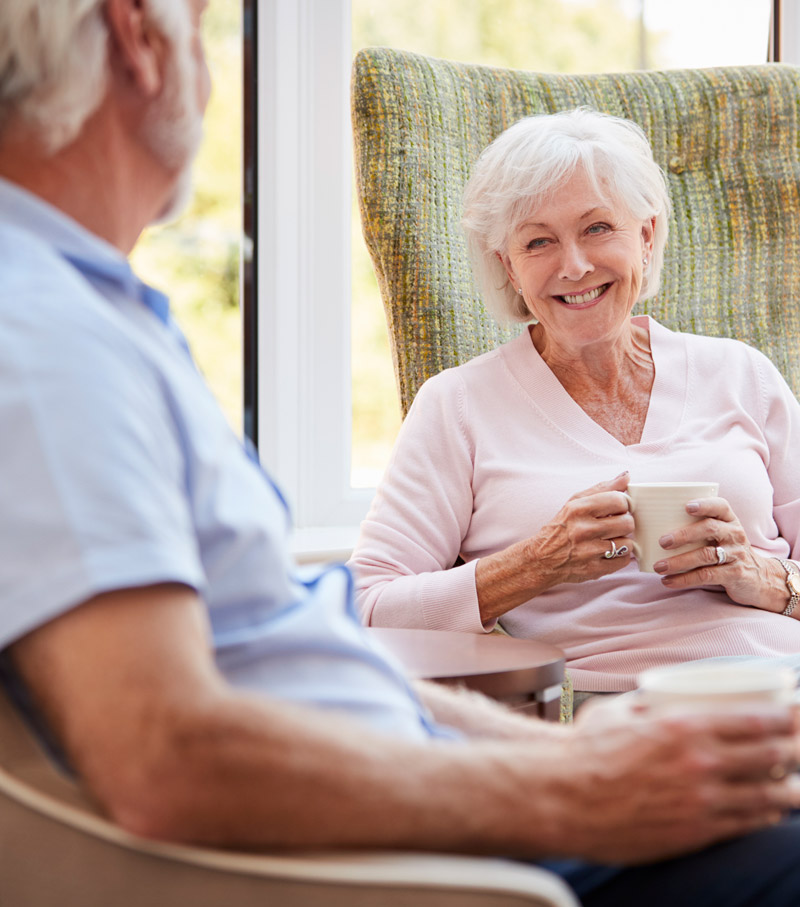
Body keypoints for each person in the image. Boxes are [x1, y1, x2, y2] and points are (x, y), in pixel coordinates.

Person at [2, 4, 800, 905]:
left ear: (648, 235)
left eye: (599, 229)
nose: (217, 61)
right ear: (138, 42)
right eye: (198, 23)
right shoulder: (41, 334)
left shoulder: (92, 314)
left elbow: (309, 652)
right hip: (454, 841)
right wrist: (578, 786)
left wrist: (576, 753)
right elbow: (161, 752)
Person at [348, 108, 800, 705]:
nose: (575, 266)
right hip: (631, 710)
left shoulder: (742, 374)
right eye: (538, 241)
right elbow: (365, 606)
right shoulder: (458, 406)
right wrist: (537, 564)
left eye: (597, 228)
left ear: (644, 234)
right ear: (508, 266)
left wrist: (766, 579)